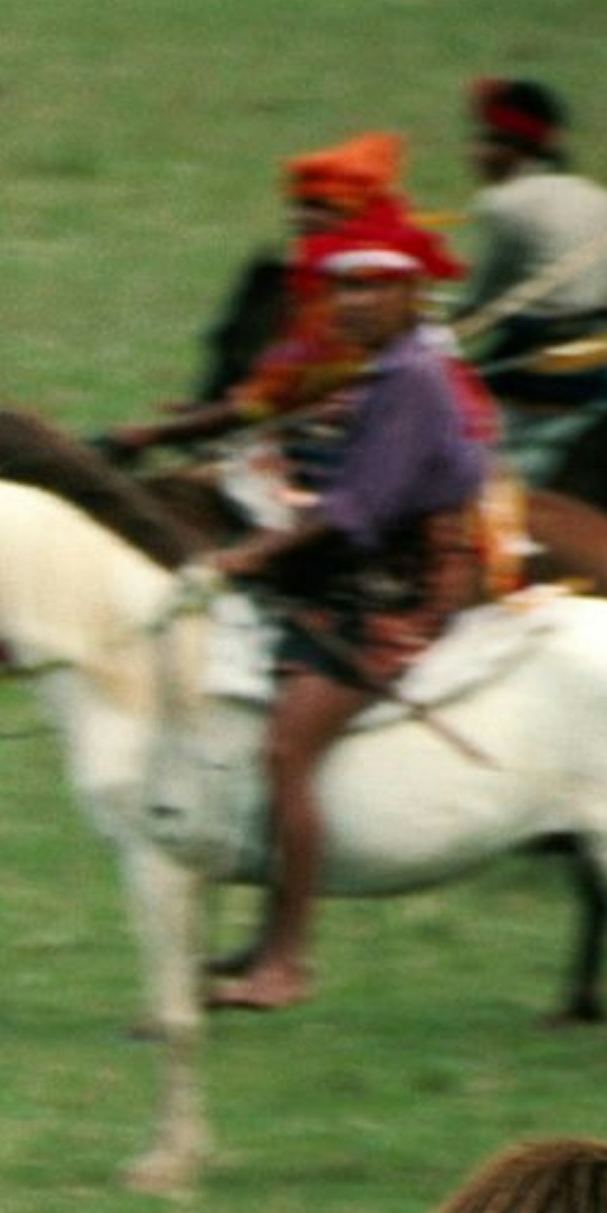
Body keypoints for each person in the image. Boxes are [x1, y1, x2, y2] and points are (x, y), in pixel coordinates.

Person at [194, 218, 493, 1014]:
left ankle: (287, 962)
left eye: (372, 287)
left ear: (412, 293)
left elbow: (356, 509)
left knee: (289, 747)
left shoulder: (411, 381)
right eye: (343, 287)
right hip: (357, 569)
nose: (352, 302)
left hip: (399, 588)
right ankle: (264, 937)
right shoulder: (385, 369)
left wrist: (256, 554)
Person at [104, 130, 413, 455]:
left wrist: (154, 434)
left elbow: (263, 402)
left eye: (321, 207)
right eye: (299, 205)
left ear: (355, 219)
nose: (301, 218)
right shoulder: (315, 285)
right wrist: (209, 412)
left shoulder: (351, 305)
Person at [463, 79, 607, 472]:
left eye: (485, 141)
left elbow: (479, 308)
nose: (474, 153)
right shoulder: (603, 199)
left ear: (511, 150)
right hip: (601, 375)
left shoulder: (501, 205)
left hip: (534, 373)